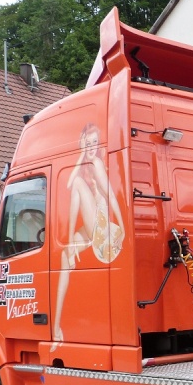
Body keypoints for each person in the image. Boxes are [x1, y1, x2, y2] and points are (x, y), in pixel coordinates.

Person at [51, 123, 125, 349]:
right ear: (83, 143)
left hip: (102, 228)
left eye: (95, 143)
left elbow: (111, 197)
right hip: (91, 227)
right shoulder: (86, 163)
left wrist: (122, 228)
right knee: (64, 256)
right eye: (88, 143)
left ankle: (70, 245)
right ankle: (56, 328)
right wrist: (81, 154)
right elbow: (69, 183)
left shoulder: (98, 164)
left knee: (79, 187)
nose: (92, 147)